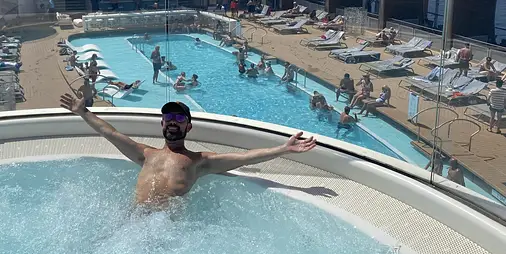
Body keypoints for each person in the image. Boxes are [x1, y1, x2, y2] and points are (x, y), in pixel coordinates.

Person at [58, 97, 316, 206]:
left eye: (179, 118)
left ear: (188, 126)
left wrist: (283, 148)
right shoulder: (145, 154)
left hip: (164, 228)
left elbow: (245, 157)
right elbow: (110, 133)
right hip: (133, 218)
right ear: (162, 123)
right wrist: (84, 112)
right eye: (168, 116)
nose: (172, 120)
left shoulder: (198, 161)